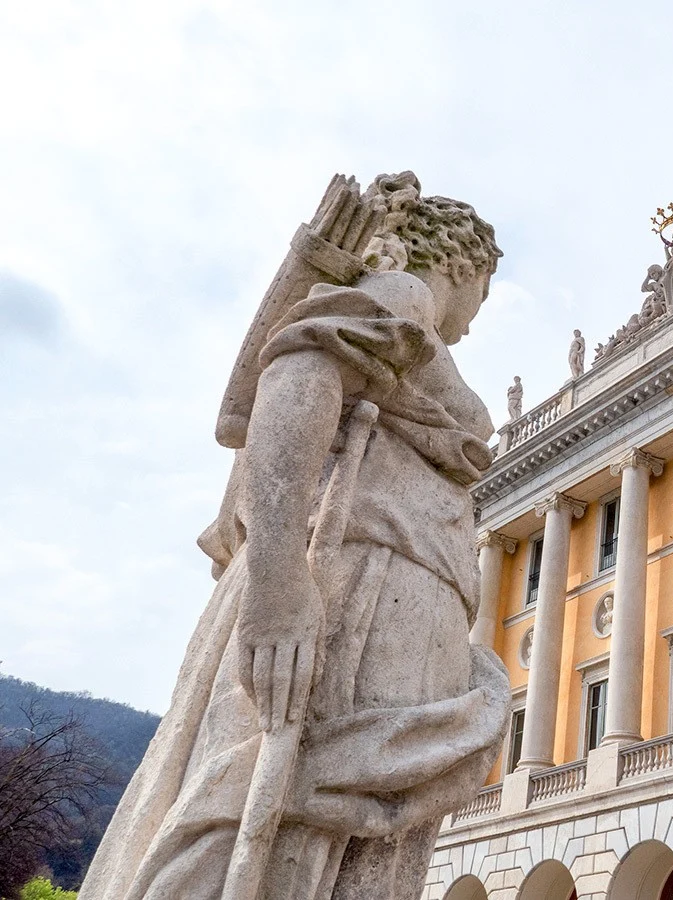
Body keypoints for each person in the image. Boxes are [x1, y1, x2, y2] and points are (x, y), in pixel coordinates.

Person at [80, 172, 510, 900]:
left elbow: (241, 406)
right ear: (463, 266)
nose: (473, 319)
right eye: (483, 294)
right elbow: (296, 371)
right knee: (305, 816)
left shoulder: (400, 308)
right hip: (365, 578)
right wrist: (279, 581)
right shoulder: (403, 293)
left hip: (387, 580)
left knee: (335, 822)